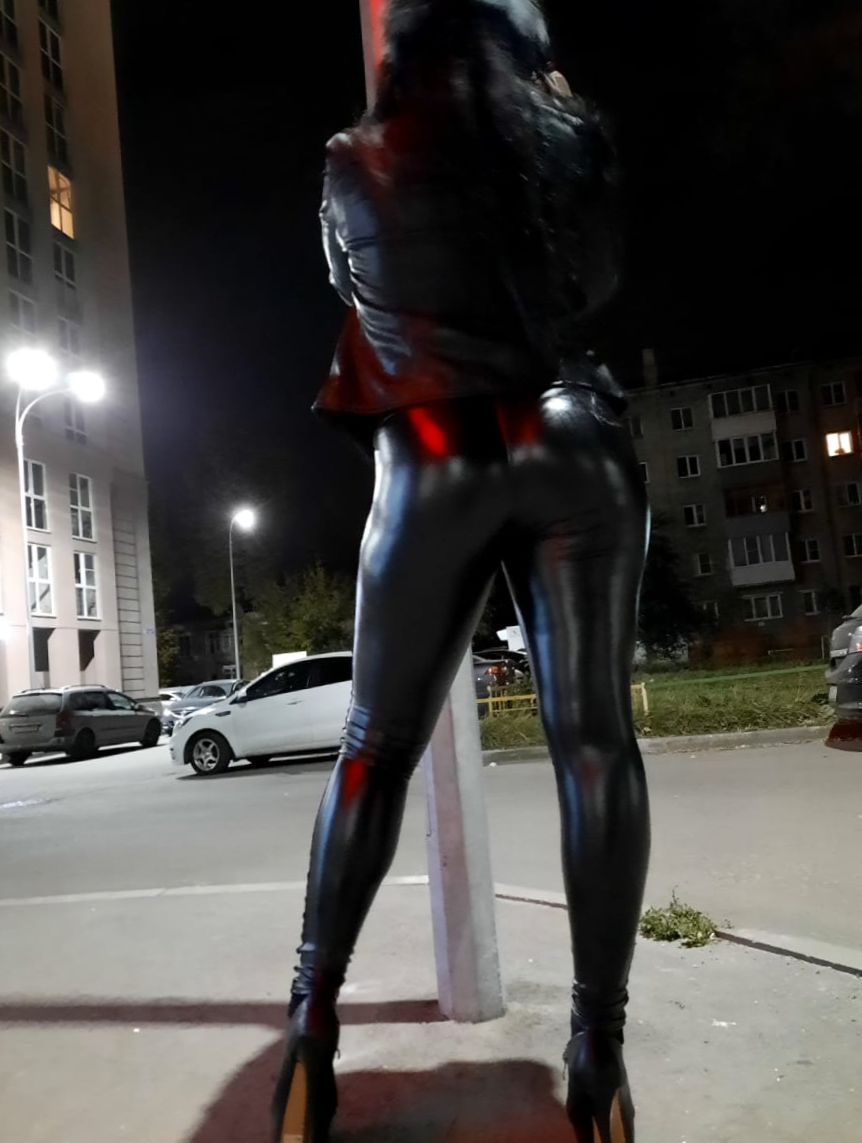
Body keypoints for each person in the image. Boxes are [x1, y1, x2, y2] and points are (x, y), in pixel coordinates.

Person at [272, 2, 650, 1140]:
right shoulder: (570, 138)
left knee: (373, 750)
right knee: (595, 745)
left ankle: (310, 1035)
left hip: (434, 457)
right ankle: (598, 1057)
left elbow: (356, 292)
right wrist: (567, 117)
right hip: (573, 445)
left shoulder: (355, 159)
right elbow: (597, 283)